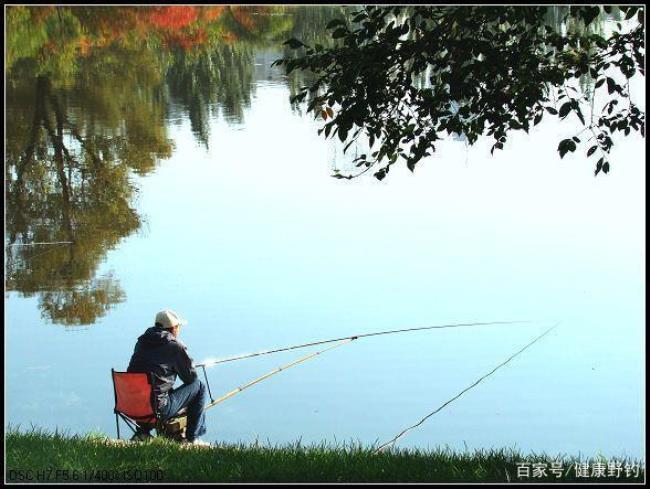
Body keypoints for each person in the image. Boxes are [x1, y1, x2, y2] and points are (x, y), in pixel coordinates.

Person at [127, 309, 209, 446]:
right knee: (199, 387)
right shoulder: (174, 346)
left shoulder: (141, 342)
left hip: (132, 404)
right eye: (179, 327)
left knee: (153, 387)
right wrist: (188, 360)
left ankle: (142, 432)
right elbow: (190, 379)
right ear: (174, 328)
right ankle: (192, 438)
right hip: (158, 409)